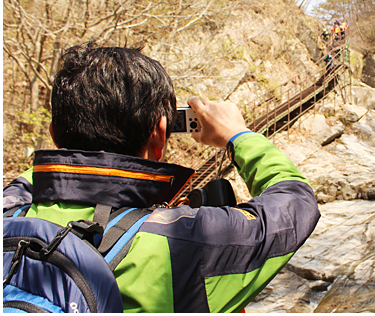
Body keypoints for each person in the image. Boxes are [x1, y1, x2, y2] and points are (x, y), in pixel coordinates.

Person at [2, 42, 320, 313]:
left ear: (54, 134)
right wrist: (238, 135)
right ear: (159, 134)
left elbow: (37, 178)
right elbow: (297, 202)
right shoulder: (182, 241)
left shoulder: (10, 209)